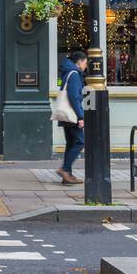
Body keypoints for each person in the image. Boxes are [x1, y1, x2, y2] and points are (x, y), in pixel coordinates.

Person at [57, 49, 88, 185]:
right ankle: (64, 169)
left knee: (70, 143)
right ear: (80, 62)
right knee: (80, 142)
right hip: (72, 114)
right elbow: (74, 97)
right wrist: (81, 117)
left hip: (65, 114)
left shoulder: (67, 72)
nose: (86, 65)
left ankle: (67, 175)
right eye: (85, 62)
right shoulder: (75, 74)